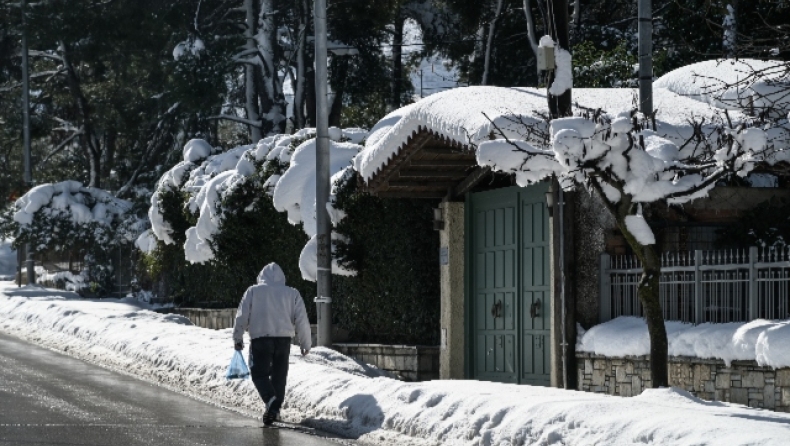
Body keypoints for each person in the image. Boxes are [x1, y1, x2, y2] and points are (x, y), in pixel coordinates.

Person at [233, 262, 311, 425]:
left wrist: (238, 337)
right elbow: (302, 319)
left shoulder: (253, 291)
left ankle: (271, 400)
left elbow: (242, 315)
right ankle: (274, 410)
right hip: (284, 340)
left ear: (261, 276)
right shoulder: (292, 293)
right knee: (279, 375)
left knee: (259, 373)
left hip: (260, 338)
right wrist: (305, 342)